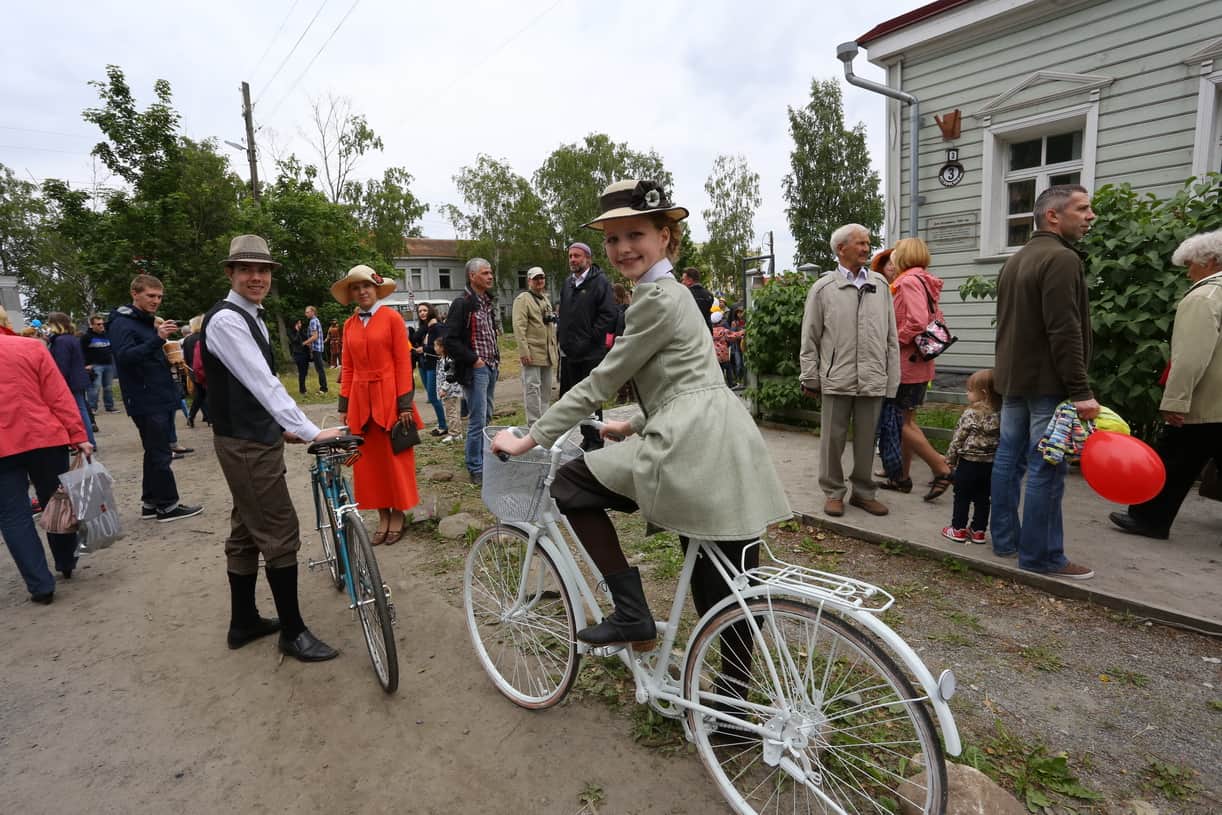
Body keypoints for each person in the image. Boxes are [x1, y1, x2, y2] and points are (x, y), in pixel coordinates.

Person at [492, 178, 790, 659]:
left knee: (569, 485)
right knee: (725, 584)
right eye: (612, 238)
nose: (623, 247)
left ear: (665, 237)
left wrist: (530, 438)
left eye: (636, 235)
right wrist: (629, 426)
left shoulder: (653, 299)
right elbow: (687, 377)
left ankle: (631, 613)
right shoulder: (675, 293)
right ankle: (731, 710)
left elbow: (600, 382)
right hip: (723, 436)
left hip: (691, 446)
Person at [200, 234, 344, 661]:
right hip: (245, 444)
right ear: (231, 273)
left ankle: (242, 621)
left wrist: (281, 427)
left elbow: (250, 384)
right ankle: (293, 632)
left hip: (252, 436)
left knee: (247, 530)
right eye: (247, 269)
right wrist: (309, 430)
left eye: (263, 270)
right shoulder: (228, 320)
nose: (257, 276)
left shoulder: (252, 317)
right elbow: (264, 383)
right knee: (279, 531)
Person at [991, 184, 1098, 579]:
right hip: (1046, 385)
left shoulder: (1016, 260)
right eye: (1082, 209)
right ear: (1052, 215)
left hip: (1014, 380)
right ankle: (1042, 556)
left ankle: (1005, 540)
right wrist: (1081, 391)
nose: (1090, 217)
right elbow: (1064, 330)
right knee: (1046, 466)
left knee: (1008, 459)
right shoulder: (1062, 259)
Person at [1109, 230, 1222, 539]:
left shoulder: (1203, 297)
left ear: (1211, 262)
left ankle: (1149, 519)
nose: (1188, 272)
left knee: (1172, 462)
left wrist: (1175, 402)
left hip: (1206, 403)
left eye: (1191, 264)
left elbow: (1190, 358)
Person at [799, 224, 899, 518]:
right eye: (860, 243)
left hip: (872, 377)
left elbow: (891, 338)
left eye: (868, 243)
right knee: (833, 440)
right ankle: (833, 492)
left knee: (868, 439)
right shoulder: (823, 288)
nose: (867, 248)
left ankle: (864, 493)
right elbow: (810, 337)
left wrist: (892, 379)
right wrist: (810, 376)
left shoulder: (880, 286)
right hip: (836, 377)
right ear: (841, 248)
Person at [0, 332, 93, 604]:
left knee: (12, 515)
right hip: (44, 436)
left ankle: (40, 585)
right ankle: (66, 561)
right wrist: (78, 434)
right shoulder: (30, 347)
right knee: (56, 499)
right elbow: (58, 394)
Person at [333, 265, 423, 546]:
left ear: (376, 289)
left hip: (391, 400)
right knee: (368, 464)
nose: (362, 292)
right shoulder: (348, 325)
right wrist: (344, 405)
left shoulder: (392, 319)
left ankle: (398, 515)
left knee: (394, 460)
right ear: (352, 293)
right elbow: (347, 368)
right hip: (361, 403)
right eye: (357, 288)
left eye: (367, 287)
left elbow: (402, 362)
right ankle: (382, 515)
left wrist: (405, 405)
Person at [108, 276, 203, 522]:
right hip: (145, 397)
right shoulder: (122, 323)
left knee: (153, 451)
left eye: (159, 297)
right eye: (150, 296)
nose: (156, 301)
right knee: (160, 453)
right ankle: (168, 505)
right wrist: (157, 339)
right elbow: (126, 357)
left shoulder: (142, 322)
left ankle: (150, 503)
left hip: (156, 394)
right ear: (135, 293)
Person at [885, 237, 955, 501]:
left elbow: (916, 322)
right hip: (920, 364)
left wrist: (891, 342)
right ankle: (901, 477)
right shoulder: (926, 282)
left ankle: (941, 468)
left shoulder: (907, 282)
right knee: (908, 421)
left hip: (906, 364)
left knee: (900, 421)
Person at [444, 258, 500, 484]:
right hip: (476, 368)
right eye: (485, 273)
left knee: (486, 416)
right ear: (472, 276)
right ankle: (475, 467)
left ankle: (485, 461)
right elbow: (449, 340)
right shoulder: (462, 303)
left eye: (491, 273)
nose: (490, 276)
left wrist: (494, 360)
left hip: (491, 366)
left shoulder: (486, 301)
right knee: (477, 419)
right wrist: (474, 359)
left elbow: (488, 334)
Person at [558, 241, 618, 449]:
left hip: (591, 352)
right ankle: (586, 435)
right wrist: (562, 338)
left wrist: (590, 339)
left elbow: (609, 314)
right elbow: (564, 313)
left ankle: (596, 439)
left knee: (591, 398)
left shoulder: (599, 282)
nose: (573, 260)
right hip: (571, 352)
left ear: (588, 259)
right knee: (577, 396)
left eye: (577, 256)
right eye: (570, 256)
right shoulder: (567, 283)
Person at [942, 369, 1002, 543]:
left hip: (968, 463)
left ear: (983, 393)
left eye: (969, 390)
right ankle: (978, 531)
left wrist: (950, 459)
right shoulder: (1001, 414)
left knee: (962, 496)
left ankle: (958, 529)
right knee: (983, 498)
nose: (966, 393)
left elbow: (959, 437)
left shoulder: (971, 414)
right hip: (989, 464)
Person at [512, 266, 560, 425]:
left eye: (542, 278)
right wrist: (524, 352)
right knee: (532, 390)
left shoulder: (545, 299)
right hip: (532, 353)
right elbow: (519, 327)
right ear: (529, 281)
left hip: (547, 352)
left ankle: (544, 423)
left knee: (546, 390)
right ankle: (533, 424)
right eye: (536, 278)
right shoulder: (523, 299)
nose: (539, 281)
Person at [45, 312, 96, 449]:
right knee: (82, 409)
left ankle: (87, 441)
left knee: (79, 411)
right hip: (77, 378)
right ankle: (89, 440)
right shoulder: (70, 338)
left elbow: (62, 364)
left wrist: (58, 382)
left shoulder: (61, 341)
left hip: (70, 380)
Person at [412, 304, 449, 436]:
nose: (422, 313)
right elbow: (414, 338)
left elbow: (440, 346)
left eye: (425, 310)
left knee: (433, 397)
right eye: (420, 311)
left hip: (433, 365)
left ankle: (443, 426)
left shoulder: (437, 327)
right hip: (423, 364)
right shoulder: (424, 328)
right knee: (432, 396)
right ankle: (441, 423)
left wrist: (424, 348)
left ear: (431, 311)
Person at [82, 313, 119, 414]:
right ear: (92, 325)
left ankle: (109, 406)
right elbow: (81, 352)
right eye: (98, 324)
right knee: (95, 387)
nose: (101, 326)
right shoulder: (86, 337)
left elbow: (111, 348)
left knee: (108, 387)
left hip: (108, 364)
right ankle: (92, 408)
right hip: (95, 365)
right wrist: (86, 364)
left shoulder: (107, 335)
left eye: (102, 323)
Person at [181, 315, 210, 428]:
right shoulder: (204, 338)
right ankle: (209, 418)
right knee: (207, 394)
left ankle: (192, 417)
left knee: (199, 395)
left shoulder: (187, 339)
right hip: (204, 370)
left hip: (193, 370)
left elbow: (186, 358)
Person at [435, 337, 464, 443]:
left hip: (450, 392)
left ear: (442, 347)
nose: (435, 348)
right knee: (453, 412)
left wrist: (443, 389)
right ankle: (457, 432)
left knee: (451, 412)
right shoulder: (442, 359)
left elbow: (449, 377)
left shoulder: (448, 360)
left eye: (436, 346)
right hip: (449, 392)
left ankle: (454, 433)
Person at [711, 311, 743, 387]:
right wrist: (741, 332)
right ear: (720, 321)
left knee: (720, 370)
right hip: (724, 355)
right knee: (728, 368)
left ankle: (720, 384)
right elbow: (733, 336)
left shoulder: (711, 331)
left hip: (715, 355)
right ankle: (731, 384)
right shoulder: (724, 331)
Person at [302, 305, 329, 394]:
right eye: (306, 312)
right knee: (319, 368)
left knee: (320, 369)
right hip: (318, 348)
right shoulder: (315, 320)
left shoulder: (313, 321)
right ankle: (323, 387)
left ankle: (323, 389)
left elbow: (315, 336)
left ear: (312, 312)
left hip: (317, 348)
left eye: (307, 312)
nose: (306, 314)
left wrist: (304, 343)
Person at [680, 267, 715, 331]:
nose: (682, 282)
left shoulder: (684, 294)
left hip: (691, 332)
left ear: (689, 280)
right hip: (707, 332)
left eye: (683, 280)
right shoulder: (709, 295)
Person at [288, 317, 312, 395]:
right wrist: (297, 331)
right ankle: (302, 390)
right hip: (298, 354)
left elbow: (306, 339)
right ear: (295, 324)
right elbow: (294, 340)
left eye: (300, 323)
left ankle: (303, 388)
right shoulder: (291, 332)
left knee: (304, 372)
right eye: (299, 323)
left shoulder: (301, 332)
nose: (300, 325)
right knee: (301, 372)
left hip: (305, 354)